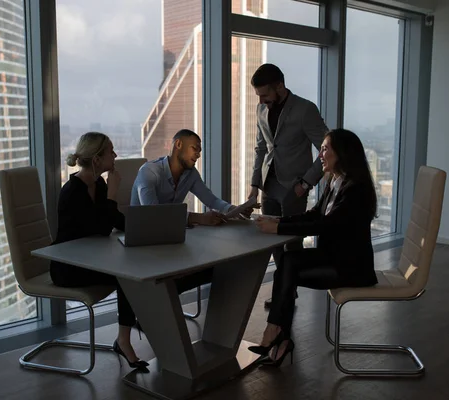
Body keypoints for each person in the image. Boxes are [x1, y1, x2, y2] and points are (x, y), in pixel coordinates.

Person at [250, 129, 379, 367]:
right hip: (334, 258)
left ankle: (277, 334)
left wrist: (277, 230)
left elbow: (326, 225)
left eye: (325, 148)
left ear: (342, 153)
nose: (320, 154)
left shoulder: (356, 189)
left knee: (288, 270)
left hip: (352, 269)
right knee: (288, 264)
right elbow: (314, 214)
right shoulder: (337, 182)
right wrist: (279, 221)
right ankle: (278, 334)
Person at [49, 132, 148, 371]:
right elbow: (103, 228)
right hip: (69, 267)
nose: (115, 155)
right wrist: (113, 194)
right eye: (110, 151)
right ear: (96, 160)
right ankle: (124, 340)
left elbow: (114, 220)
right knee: (127, 276)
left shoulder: (98, 184)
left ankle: (131, 331)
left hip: (92, 260)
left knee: (131, 271)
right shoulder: (72, 192)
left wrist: (144, 230)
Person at [131, 128, 257, 293]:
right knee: (205, 267)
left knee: (218, 265)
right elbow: (154, 214)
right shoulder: (149, 172)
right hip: (143, 242)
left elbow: (211, 200)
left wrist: (237, 210)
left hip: (170, 239)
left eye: (200, 151)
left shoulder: (190, 174)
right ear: (178, 144)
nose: (198, 154)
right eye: (195, 148)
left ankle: (167, 296)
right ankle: (162, 299)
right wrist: (198, 218)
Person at [247, 64, 329, 308]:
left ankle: (286, 291)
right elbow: (261, 148)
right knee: (270, 238)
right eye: (258, 96)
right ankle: (285, 290)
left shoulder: (305, 109)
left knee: (291, 241)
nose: (261, 100)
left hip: (293, 187)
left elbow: (327, 150)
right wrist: (254, 185)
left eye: (264, 94)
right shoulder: (261, 109)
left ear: (280, 86)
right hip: (268, 183)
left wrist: (306, 183)